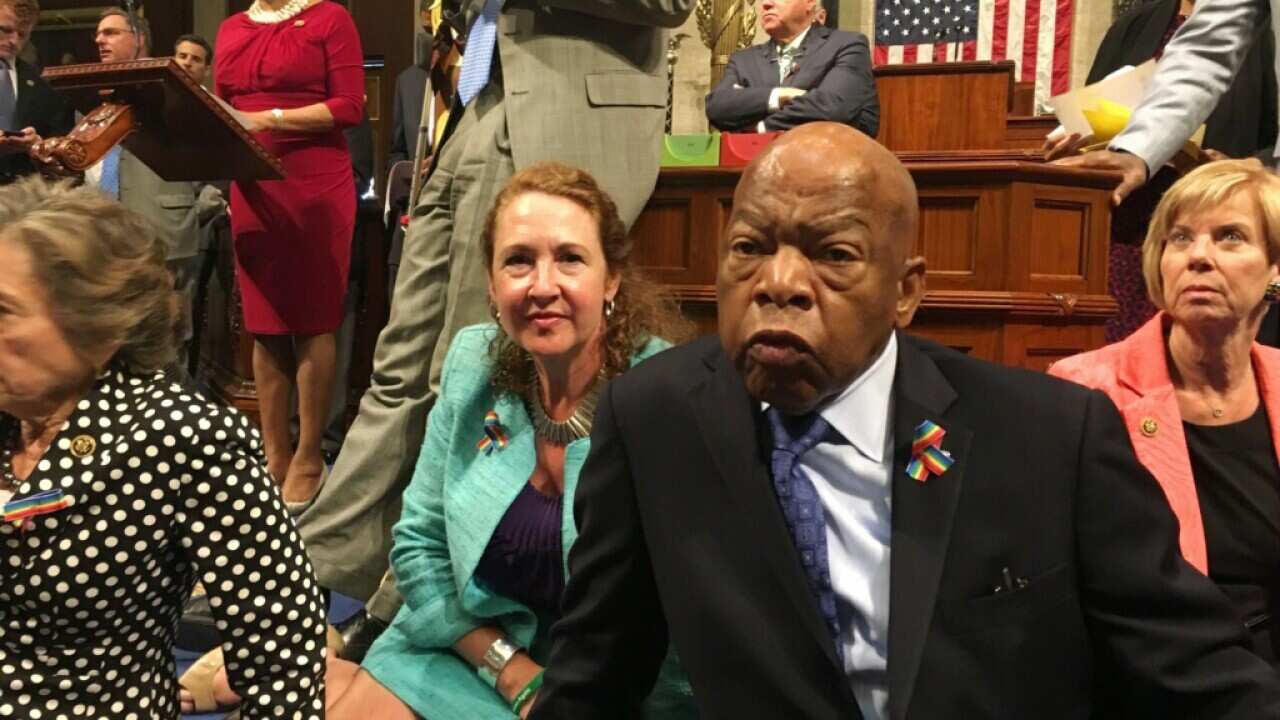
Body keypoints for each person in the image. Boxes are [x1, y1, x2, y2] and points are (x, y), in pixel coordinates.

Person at [527, 123, 1280, 719]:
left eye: (835, 256)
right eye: (749, 249)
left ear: (906, 292)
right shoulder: (656, 419)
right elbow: (593, 675)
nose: (778, 284)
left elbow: (1203, 677)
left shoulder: (1050, 439)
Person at [299, 0, 694, 662]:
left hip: (570, 106)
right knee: (399, 363)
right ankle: (314, 573)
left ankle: (396, 605)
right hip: (479, 104)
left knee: (464, 367)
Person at [303, 162, 695, 719]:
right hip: (468, 650)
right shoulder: (472, 364)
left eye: (569, 258)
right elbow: (420, 547)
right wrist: (509, 670)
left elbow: (678, 617)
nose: (542, 286)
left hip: (603, 694)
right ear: (490, 283)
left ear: (611, 279)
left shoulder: (667, 397)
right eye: (518, 261)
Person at [0, 175, 328, 719]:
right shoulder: (12, 417)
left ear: (99, 327)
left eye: (5, 310)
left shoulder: (185, 440)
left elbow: (286, 661)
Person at [1049, 159, 1280, 664]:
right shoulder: (1086, 390)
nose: (1198, 257)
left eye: (1230, 237)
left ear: (1275, 270)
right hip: (1158, 674)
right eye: (1180, 238)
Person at [213, 0, 364, 503]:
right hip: (252, 182)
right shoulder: (232, 28)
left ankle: (309, 454)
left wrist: (267, 118)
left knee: (313, 320)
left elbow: (350, 106)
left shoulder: (330, 17)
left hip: (315, 181)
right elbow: (218, 107)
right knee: (265, 323)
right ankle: (273, 451)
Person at [88, 9, 225, 373]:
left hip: (165, 231)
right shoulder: (92, 90)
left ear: (139, 39)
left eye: (111, 33)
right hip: (107, 232)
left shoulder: (175, 87)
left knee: (167, 337)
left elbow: (217, 151)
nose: (100, 40)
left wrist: (196, 210)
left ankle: (170, 420)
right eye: (99, 34)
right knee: (113, 335)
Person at [1056, 0, 1279, 206]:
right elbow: (1203, 54)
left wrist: (1256, 165)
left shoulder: (1262, 38)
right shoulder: (1135, 23)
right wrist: (1136, 150)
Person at [704, 0, 879, 136]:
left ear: (809, 2)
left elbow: (833, 107)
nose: (766, 4)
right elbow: (718, 106)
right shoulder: (743, 60)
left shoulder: (847, 45)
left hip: (827, 168)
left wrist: (760, 127)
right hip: (755, 170)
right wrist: (779, 96)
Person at [0, 0, 73, 184]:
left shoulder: (43, 85)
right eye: (6, 30)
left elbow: (60, 148)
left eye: (22, 35)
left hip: (20, 198)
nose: (14, 41)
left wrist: (36, 144)